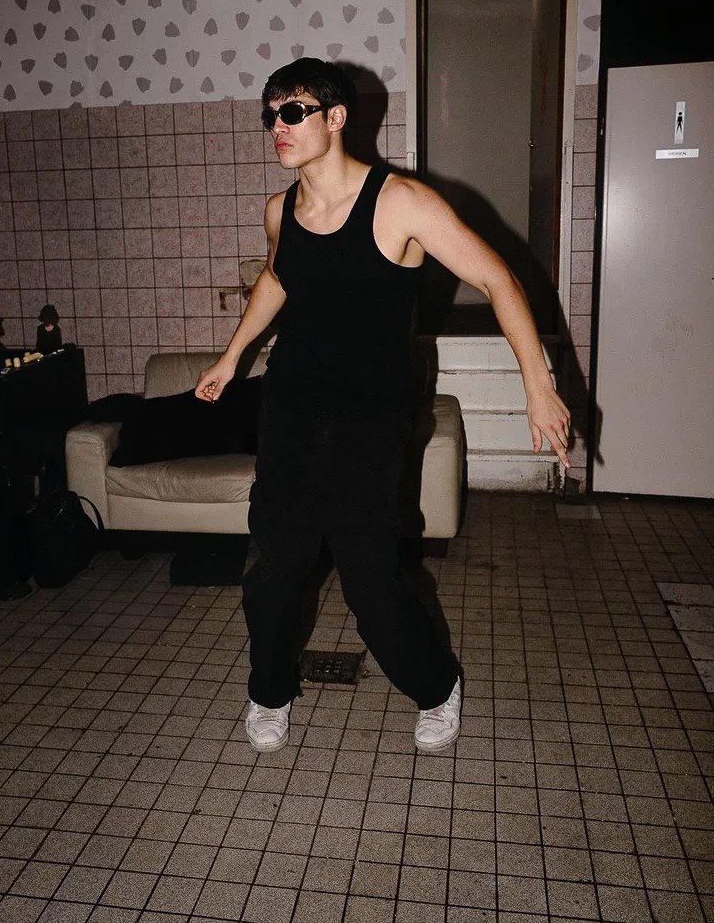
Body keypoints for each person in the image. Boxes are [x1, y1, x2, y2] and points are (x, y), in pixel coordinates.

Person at [195, 58, 571, 754]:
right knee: (276, 564)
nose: (278, 126)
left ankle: (436, 684)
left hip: (370, 413)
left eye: (294, 111)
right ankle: (269, 689)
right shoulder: (280, 210)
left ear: (336, 118)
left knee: (369, 577)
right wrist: (231, 355)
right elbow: (278, 279)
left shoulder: (399, 202)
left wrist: (537, 381)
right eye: (270, 114)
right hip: (294, 404)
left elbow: (496, 276)